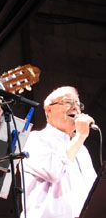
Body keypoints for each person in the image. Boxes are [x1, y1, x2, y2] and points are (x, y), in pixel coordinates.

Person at [21, 86, 97, 218]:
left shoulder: (82, 150)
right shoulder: (36, 139)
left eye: (78, 104)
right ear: (48, 109)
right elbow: (54, 172)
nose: (75, 108)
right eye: (68, 102)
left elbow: (93, 190)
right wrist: (80, 137)